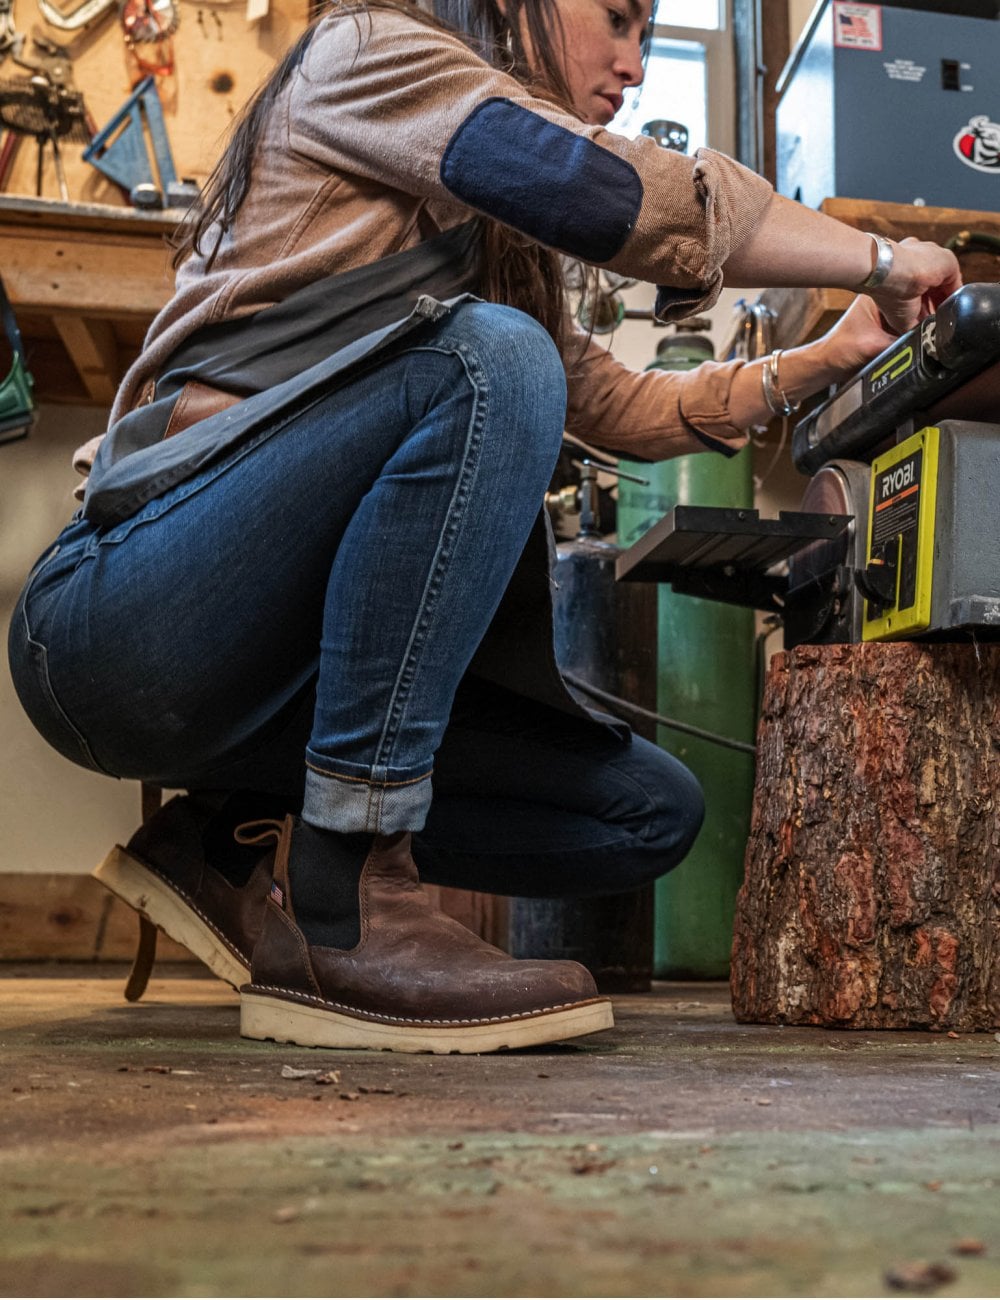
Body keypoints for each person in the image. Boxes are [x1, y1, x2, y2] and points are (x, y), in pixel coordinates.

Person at [7, 0, 960, 1055]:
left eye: (651, 37)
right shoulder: (369, 52)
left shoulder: (498, 243)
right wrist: (879, 260)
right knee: (495, 356)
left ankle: (228, 841)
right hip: (121, 624)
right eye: (617, 20)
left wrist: (820, 359)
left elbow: (623, 405)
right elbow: (608, 193)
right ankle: (346, 890)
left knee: (645, 812)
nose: (634, 65)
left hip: (274, 687)